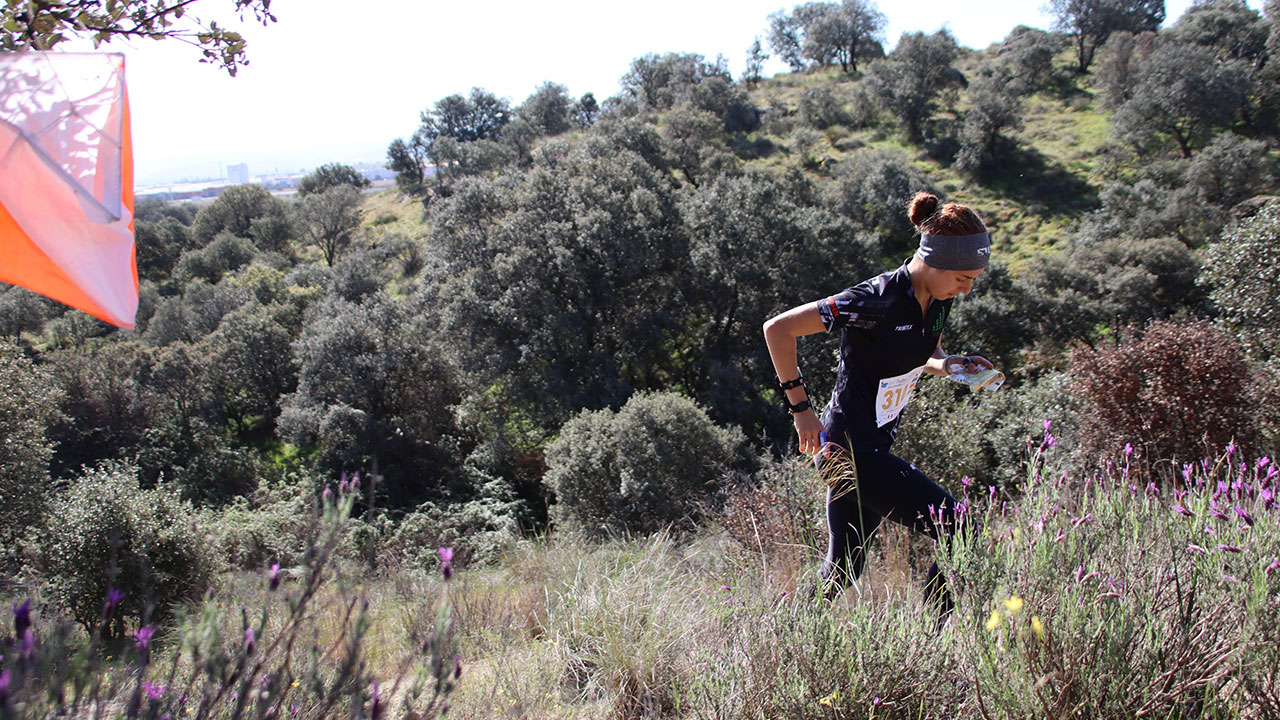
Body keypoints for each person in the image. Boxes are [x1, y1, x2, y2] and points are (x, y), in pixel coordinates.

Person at [762, 191, 994, 616]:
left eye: (973, 280)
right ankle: (931, 639)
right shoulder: (874, 299)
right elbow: (777, 330)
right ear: (935, 261)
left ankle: (781, 635)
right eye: (963, 279)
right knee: (962, 529)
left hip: (870, 448)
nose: (966, 290)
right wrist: (801, 411)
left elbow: (926, 352)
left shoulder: (938, 301)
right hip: (846, 450)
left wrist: (951, 365)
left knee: (843, 569)